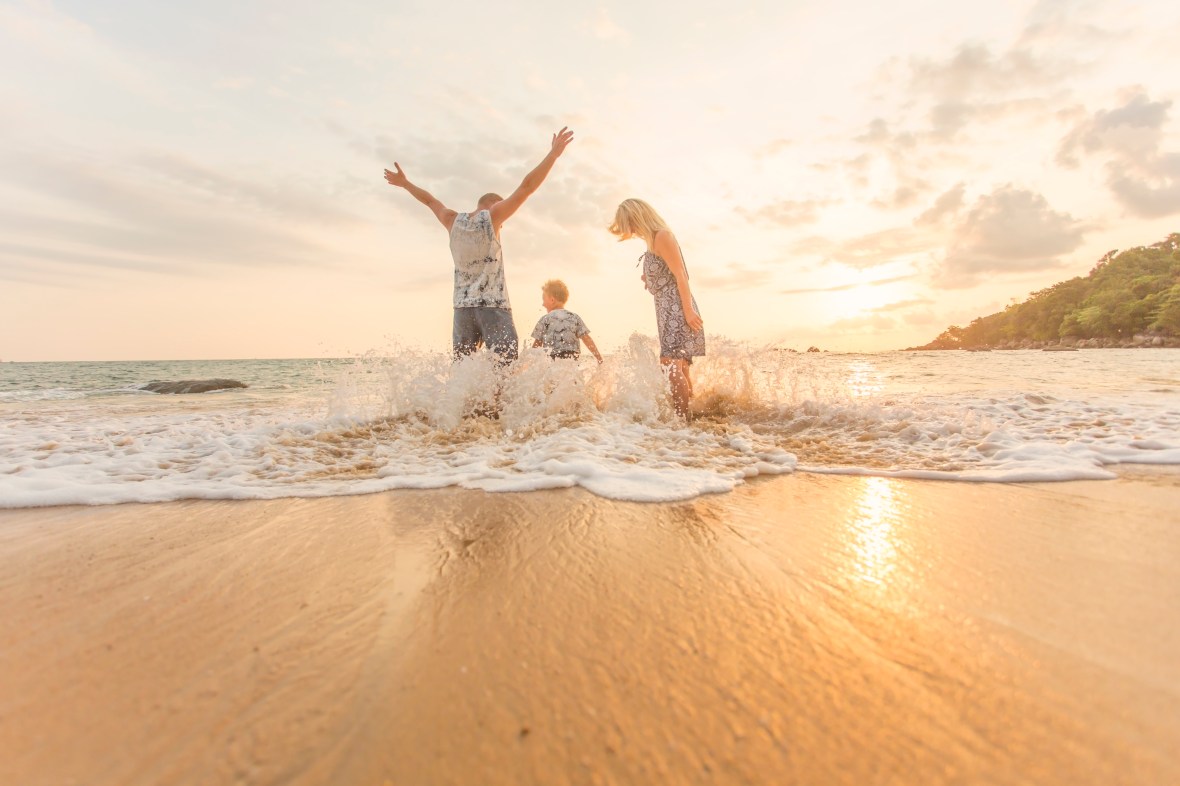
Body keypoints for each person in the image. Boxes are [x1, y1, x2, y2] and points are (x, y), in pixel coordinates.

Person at [383, 127, 575, 363]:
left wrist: (405, 183)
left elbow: (430, 201)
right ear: (495, 205)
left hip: (462, 311)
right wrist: (553, 155)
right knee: (505, 370)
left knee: (464, 371)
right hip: (494, 307)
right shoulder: (493, 216)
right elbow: (526, 187)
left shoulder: (451, 220)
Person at [608, 198, 705, 417]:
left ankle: (681, 421)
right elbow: (667, 274)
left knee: (670, 364)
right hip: (666, 308)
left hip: (676, 307)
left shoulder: (662, 236)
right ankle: (690, 421)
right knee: (680, 366)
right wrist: (650, 281)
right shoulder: (653, 240)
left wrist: (688, 311)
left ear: (637, 217)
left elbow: (681, 275)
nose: (631, 230)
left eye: (629, 224)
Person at [530, 279, 603, 362]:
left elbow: (536, 345)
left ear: (552, 300)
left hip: (552, 361)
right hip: (572, 360)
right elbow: (586, 338)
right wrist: (599, 358)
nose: (543, 304)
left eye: (544, 300)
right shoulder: (574, 317)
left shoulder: (545, 319)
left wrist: (530, 364)